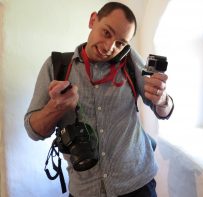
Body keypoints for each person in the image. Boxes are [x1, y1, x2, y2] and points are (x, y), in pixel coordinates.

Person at [24, 2, 174, 197]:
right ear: (93, 20)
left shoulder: (129, 60)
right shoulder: (57, 66)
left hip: (137, 185)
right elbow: (33, 130)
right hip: (85, 190)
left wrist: (162, 99)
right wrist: (56, 108)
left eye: (120, 43)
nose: (109, 47)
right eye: (106, 33)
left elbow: (163, 110)